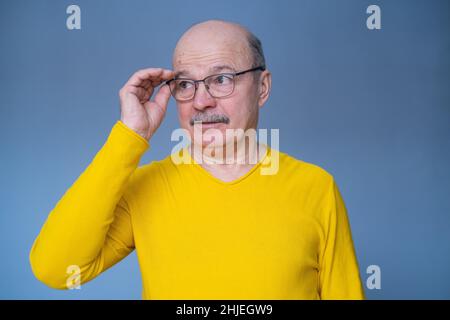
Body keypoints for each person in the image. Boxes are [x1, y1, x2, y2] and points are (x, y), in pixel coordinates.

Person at [29, 19, 365, 299]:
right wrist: (129, 137)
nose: (201, 101)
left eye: (221, 79)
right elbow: (55, 268)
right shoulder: (146, 188)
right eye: (186, 83)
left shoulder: (316, 187)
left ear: (262, 87)